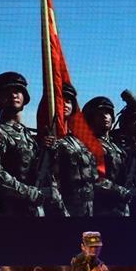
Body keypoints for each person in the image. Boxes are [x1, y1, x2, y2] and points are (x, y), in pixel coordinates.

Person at [0, 72, 60, 217]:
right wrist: (28, 192)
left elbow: (36, 168)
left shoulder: (26, 133)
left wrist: (49, 152)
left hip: (30, 208)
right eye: (7, 92)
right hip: (7, 209)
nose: (14, 95)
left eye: (18, 91)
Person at [49, 82, 99, 217]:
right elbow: (51, 180)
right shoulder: (48, 139)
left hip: (87, 208)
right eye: (62, 100)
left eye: (69, 101)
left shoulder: (79, 141)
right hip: (64, 209)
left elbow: (93, 177)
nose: (65, 104)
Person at [82, 96, 131, 217]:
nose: (105, 116)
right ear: (90, 118)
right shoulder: (88, 145)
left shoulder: (116, 146)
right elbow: (93, 178)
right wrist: (120, 190)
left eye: (108, 113)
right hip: (101, 208)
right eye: (99, 114)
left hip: (121, 207)